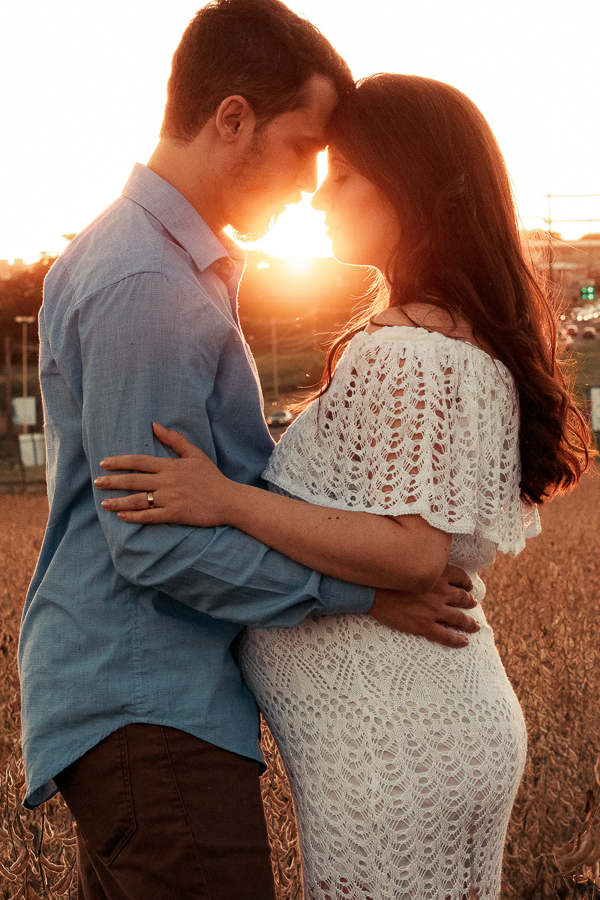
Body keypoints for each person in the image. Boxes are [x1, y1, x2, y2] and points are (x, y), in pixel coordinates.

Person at [19, 5, 478, 899]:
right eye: (307, 147)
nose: (311, 184)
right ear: (232, 119)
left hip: (138, 708)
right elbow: (153, 539)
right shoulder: (147, 282)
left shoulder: (159, 263)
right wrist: (367, 593)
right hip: (147, 705)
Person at [96, 74, 594, 899]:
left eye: (345, 177)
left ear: (413, 188)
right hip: (427, 725)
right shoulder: (457, 342)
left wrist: (225, 498)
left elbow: (411, 553)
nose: (319, 198)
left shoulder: (404, 350)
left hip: (394, 741)